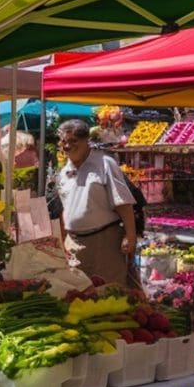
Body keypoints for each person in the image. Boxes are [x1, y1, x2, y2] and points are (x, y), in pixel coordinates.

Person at [53, 119, 137, 287]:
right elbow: (65, 208)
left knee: (110, 290)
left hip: (105, 241)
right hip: (75, 243)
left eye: (73, 141)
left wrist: (130, 236)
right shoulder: (63, 172)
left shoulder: (104, 163)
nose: (67, 146)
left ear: (86, 140)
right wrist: (62, 242)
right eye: (63, 141)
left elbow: (123, 204)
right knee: (81, 292)